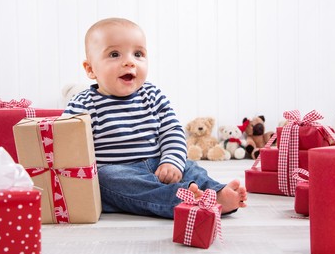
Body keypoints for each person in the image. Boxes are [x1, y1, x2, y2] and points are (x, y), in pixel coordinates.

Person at [64, 17, 247, 218]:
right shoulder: (83, 104)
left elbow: (172, 132)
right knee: (105, 179)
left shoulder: (152, 95)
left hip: (159, 164)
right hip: (120, 173)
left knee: (189, 166)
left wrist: (171, 162)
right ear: (90, 69)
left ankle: (217, 192)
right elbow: (67, 140)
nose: (129, 61)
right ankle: (184, 199)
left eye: (138, 54)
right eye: (114, 54)